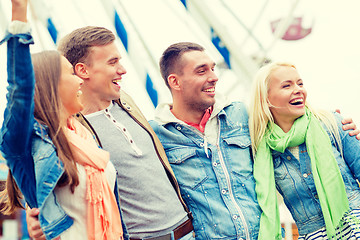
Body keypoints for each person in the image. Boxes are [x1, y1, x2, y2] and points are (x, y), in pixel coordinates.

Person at [149, 42, 360, 239]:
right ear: (174, 81)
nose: (214, 77)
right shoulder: (156, 136)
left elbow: (286, 116)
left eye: (213, 68)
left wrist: (335, 122)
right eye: (202, 70)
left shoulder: (241, 116)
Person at [27, 26, 194, 240]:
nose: (123, 70)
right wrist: (36, 217)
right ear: (83, 70)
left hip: (188, 232)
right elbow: (39, 179)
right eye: (112, 62)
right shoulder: (69, 132)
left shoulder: (126, 101)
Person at [0, 1, 127, 240]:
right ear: (51, 84)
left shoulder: (83, 138)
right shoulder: (30, 144)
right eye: (71, 73)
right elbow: (20, 88)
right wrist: (19, 13)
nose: (80, 80)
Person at [249, 61, 360, 239]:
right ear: (266, 98)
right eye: (287, 85)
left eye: (300, 83)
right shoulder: (261, 151)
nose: (298, 89)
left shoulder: (332, 123)